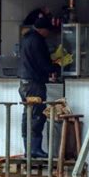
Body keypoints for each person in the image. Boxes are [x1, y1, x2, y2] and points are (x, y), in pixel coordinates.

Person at [18, 16, 60, 158]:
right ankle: (34, 150)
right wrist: (55, 67)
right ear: (43, 30)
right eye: (48, 31)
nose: (48, 34)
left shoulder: (26, 38)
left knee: (28, 115)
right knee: (37, 115)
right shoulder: (37, 41)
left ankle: (28, 150)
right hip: (34, 84)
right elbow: (42, 63)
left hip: (24, 84)